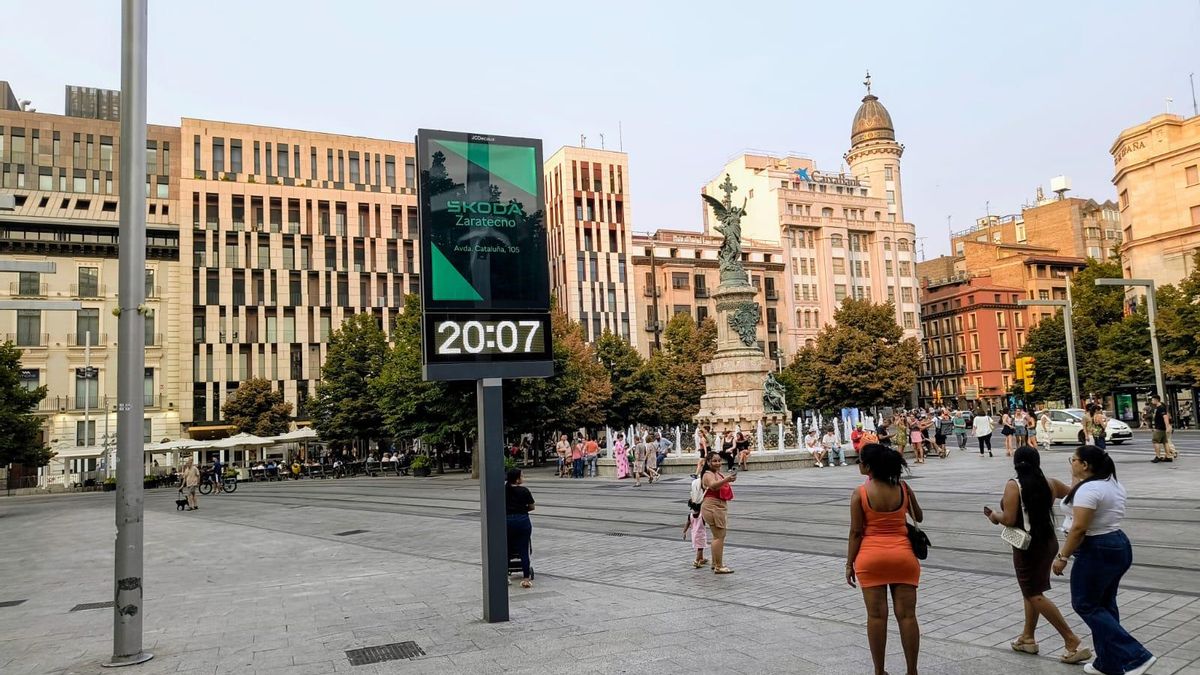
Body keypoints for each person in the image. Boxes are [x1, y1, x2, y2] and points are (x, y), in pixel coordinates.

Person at [1053, 445, 1156, 675]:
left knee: (1085, 604)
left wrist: (1062, 556)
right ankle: (1107, 663)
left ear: (1086, 465)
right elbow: (1078, 493)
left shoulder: (1090, 490)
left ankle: (1136, 656)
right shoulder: (1111, 484)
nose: (1071, 463)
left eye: (1074, 460)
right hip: (1117, 544)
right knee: (1105, 605)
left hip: (1095, 548)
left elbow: (1079, 528)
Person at [984, 446, 1092, 664]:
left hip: (1027, 546)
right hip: (1048, 542)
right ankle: (1027, 637)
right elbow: (1073, 494)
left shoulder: (1014, 485)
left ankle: (1071, 641)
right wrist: (1075, 474)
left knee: (1034, 593)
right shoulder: (1050, 483)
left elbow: (1008, 518)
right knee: (1031, 589)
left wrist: (994, 515)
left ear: (1016, 463)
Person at [846, 444, 922, 675]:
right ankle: (912, 671)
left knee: (876, 617)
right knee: (907, 615)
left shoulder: (860, 493)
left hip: (871, 559)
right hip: (903, 557)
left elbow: (856, 532)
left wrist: (849, 564)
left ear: (868, 467)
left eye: (860, 461)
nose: (858, 464)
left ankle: (880, 671)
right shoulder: (903, 488)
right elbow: (918, 516)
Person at [700, 452, 737, 574]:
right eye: (714, 461)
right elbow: (713, 486)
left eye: (719, 461)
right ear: (708, 462)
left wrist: (727, 479)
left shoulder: (714, 473)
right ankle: (719, 566)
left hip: (715, 506)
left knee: (717, 536)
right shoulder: (707, 474)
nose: (717, 463)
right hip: (713, 507)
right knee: (719, 536)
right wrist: (726, 479)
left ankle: (715, 563)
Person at [505, 468, 536, 589]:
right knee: (524, 549)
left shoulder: (503, 490)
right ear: (517, 479)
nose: (523, 478)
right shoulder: (524, 491)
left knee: (506, 549)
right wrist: (522, 510)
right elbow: (532, 507)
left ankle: (505, 575)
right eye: (522, 476)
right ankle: (526, 579)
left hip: (506, 521)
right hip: (522, 521)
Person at [684, 478, 709, 569]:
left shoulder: (690, 515)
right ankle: (697, 560)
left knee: (699, 547)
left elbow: (687, 524)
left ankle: (701, 558)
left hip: (694, 534)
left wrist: (684, 531)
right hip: (701, 535)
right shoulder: (701, 515)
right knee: (700, 548)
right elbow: (707, 520)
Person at [1149, 395, 1174, 463]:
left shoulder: (1160, 408)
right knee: (1165, 442)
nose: (1151, 401)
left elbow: (1165, 417)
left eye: (1152, 400)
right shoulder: (1160, 407)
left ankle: (1158, 456)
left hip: (1159, 428)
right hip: (1162, 428)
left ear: (1156, 400)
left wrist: (1167, 427)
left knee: (1155, 441)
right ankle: (1168, 456)